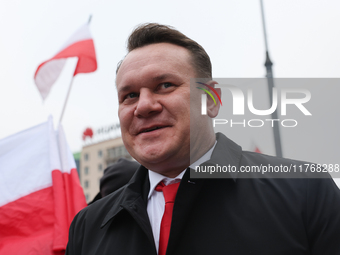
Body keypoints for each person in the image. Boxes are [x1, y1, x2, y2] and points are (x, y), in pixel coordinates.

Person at [66, 23, 340, 255]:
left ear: (211, 100)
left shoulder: (306, 190)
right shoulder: (87, 227)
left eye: (165, 85)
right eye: (130, 95)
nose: (144, 106)